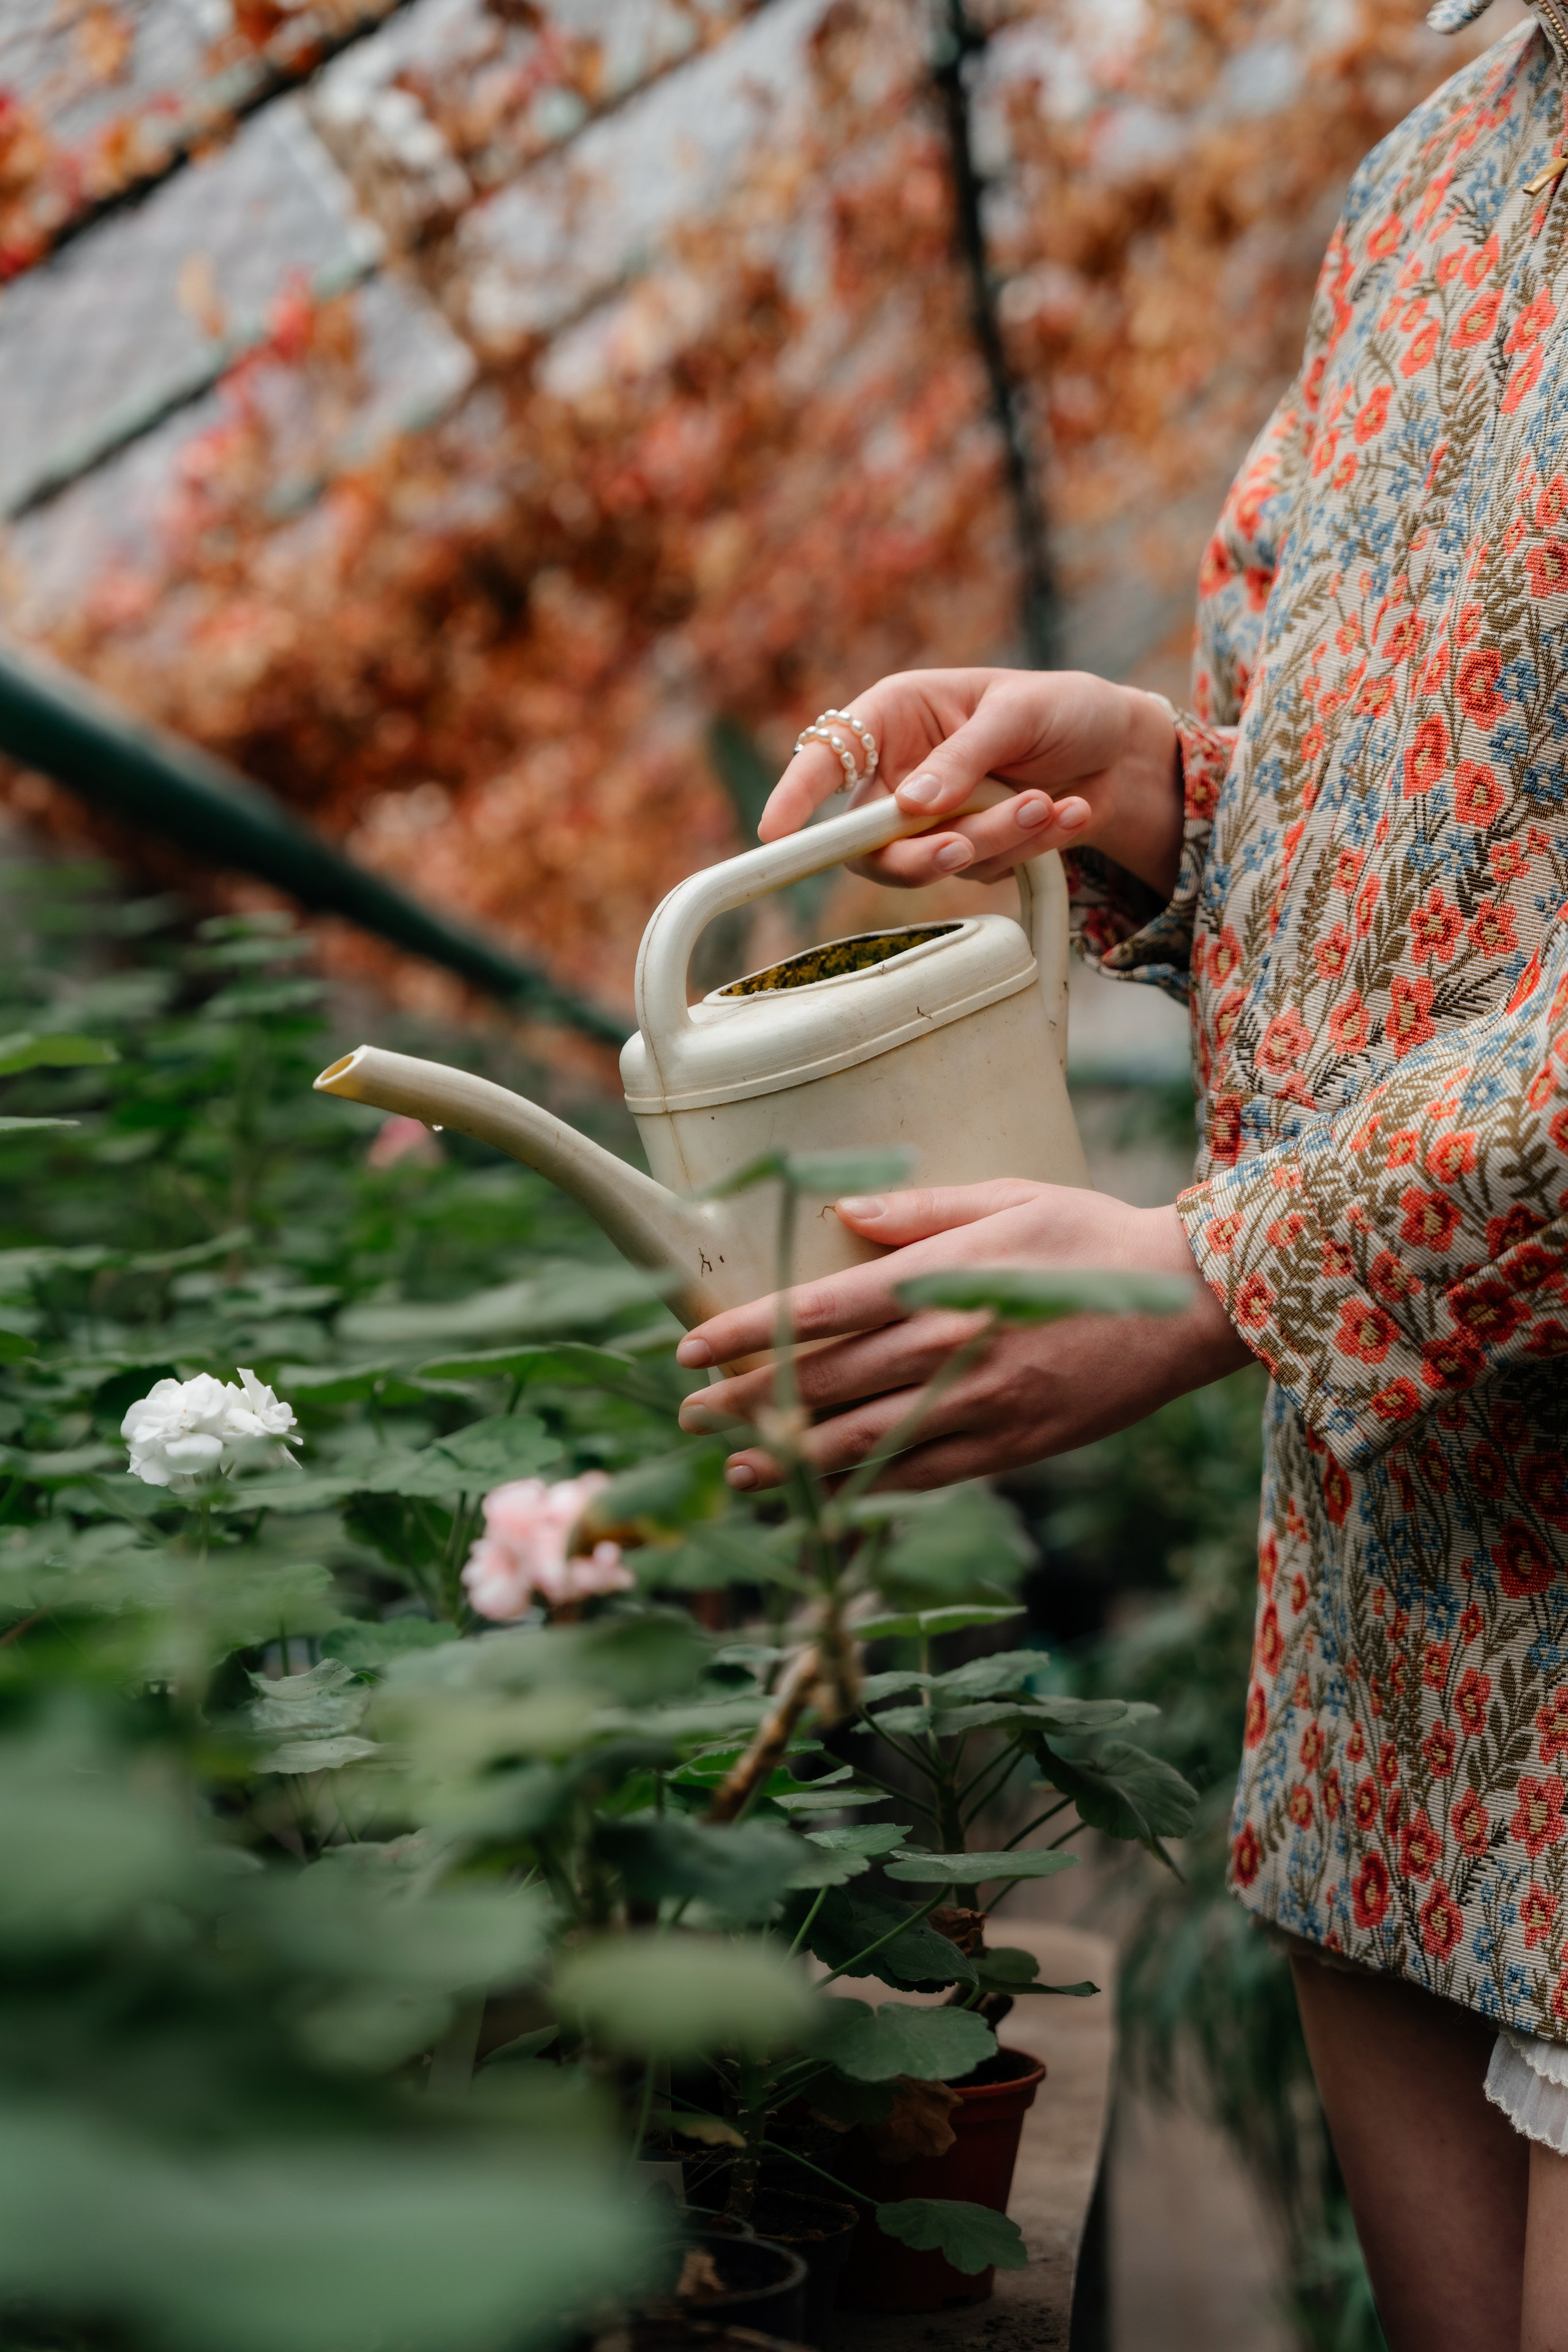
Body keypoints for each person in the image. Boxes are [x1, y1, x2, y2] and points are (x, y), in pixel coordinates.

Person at [673, 7, 1568, 2345]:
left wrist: (1215, 1266)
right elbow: (1447, 792)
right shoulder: (1443, 171)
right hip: (1408, 1633)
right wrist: (1173, 801)